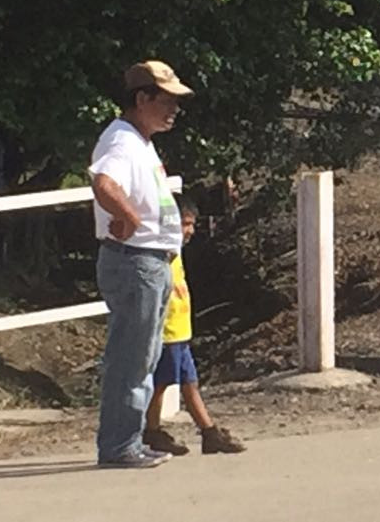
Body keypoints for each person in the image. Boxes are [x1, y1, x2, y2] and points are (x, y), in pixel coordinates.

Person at [89, 60, 194, 468]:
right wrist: (129, 217)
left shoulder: (137, 140)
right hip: (136, 262)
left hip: (147, 262)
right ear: (141, 99)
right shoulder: (122, 142)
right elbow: (104, 183)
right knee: (132, 357)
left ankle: (126, 440)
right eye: (166, 101)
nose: (174, 110)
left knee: (141, 356)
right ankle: (119, 446)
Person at [142, 197, 246, 456]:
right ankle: (151, 430)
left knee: (190, 383)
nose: (189, 230)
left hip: (181, 329)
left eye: (191, 225)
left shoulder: (175, 253)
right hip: (168, 331)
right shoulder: (164, 255)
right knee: (161, 384)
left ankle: (209, 432)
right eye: (185, 224)